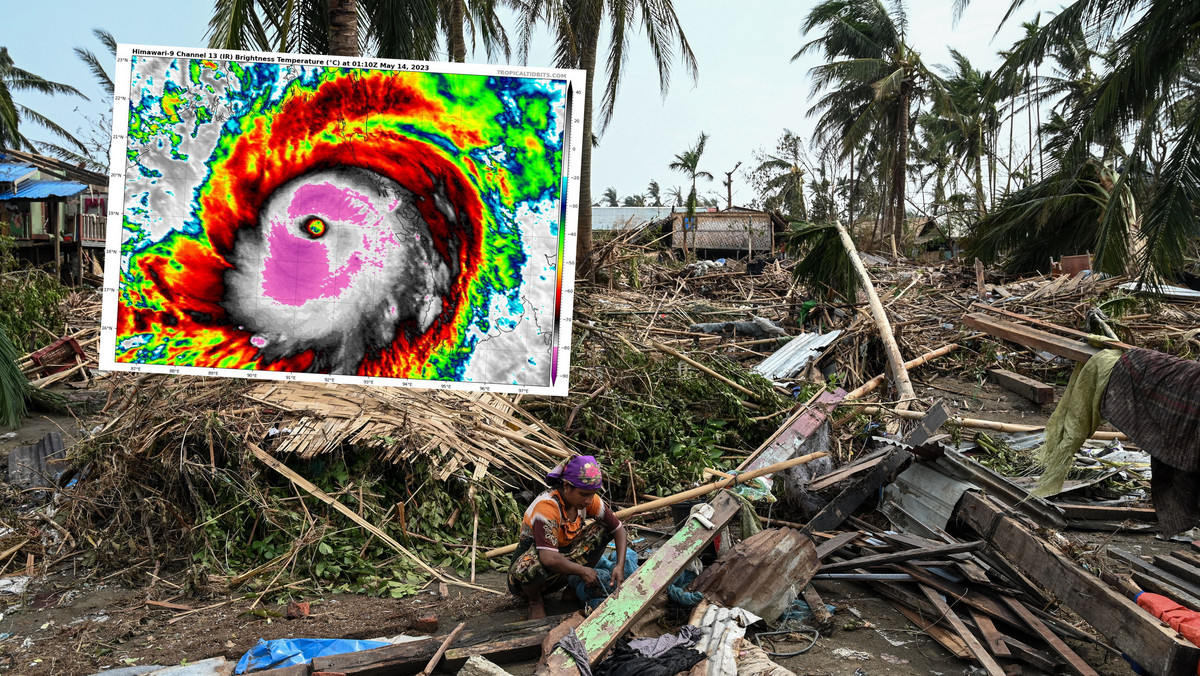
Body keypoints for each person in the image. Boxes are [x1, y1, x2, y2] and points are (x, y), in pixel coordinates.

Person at [507, 455, 628, 619]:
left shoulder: (587, 501)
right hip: (528, 579)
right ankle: (535, 602)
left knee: (604, 528)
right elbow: (548, 558)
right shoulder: (547, 506)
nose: (588, 500)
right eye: (584, 494)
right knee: (530, 564)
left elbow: (618, 529)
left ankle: (573, 587)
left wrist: (619, 566)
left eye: (592, 494)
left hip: (562, 564)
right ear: (567, 486)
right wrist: (582, 570)